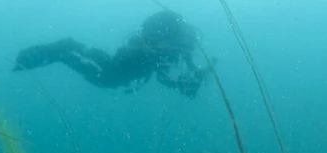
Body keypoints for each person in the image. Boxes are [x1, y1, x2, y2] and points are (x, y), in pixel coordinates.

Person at [13, 10, 209, 98]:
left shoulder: (180, 46)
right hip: (131, 61)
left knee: (108, 63)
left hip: (130, 59)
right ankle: (63, 54)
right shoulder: (177, 45)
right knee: (104, 79)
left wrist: (186, 82)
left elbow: (165, 73)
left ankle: (73, 45)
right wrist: (181, 84)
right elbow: (164, 74)